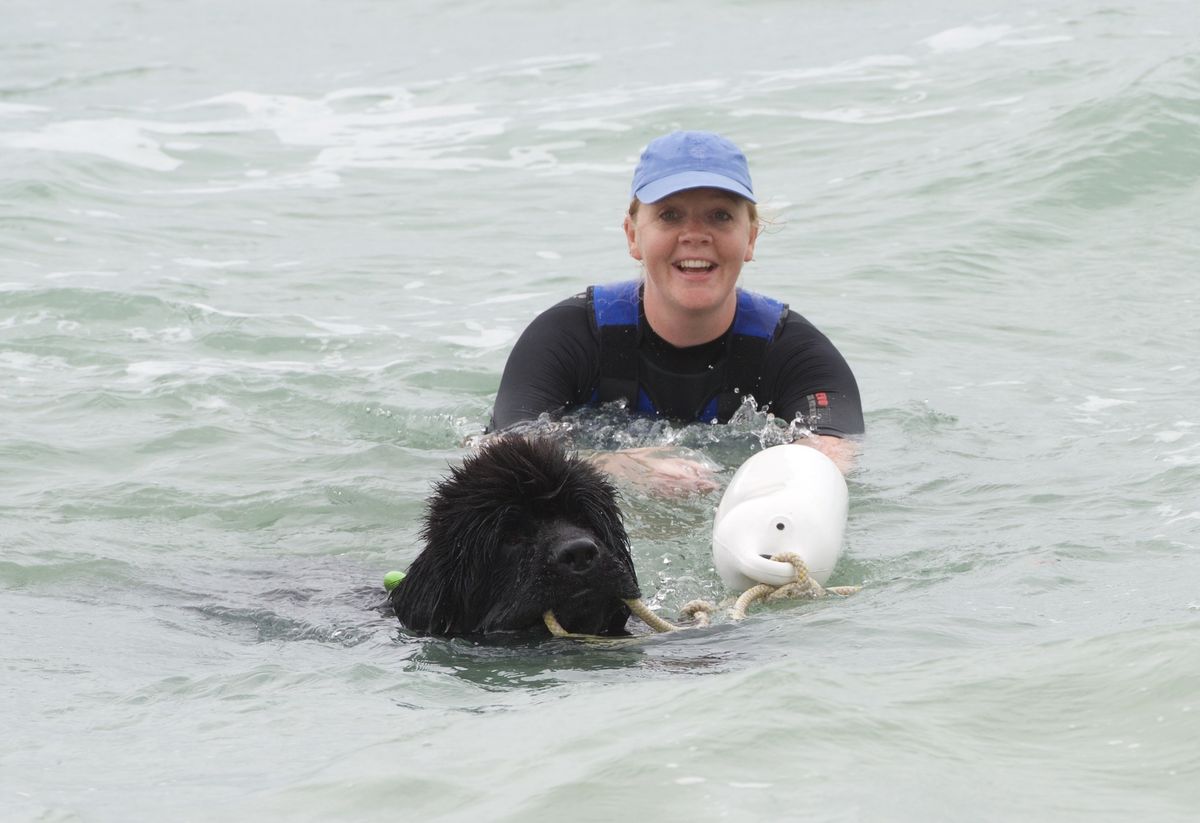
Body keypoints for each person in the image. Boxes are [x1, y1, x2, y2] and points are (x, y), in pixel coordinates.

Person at [489, 130, 864, 491]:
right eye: (670, 215)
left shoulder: (796, 352)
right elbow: (502, 454)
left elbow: (830, 460)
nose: (695, 235)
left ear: (750, 238)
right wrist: (615, 467)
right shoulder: (567, 337)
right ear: (633, 236)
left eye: (720, 215)